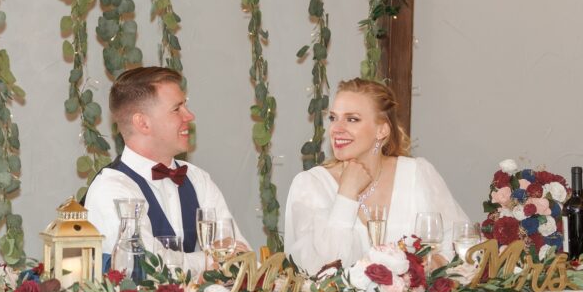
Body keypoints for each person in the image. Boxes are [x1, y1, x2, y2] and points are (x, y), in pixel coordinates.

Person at [284, 78, 469, 274]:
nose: (336, 129)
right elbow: (320, 271)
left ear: (382, 130)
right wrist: (346, 195)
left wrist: (438, 262)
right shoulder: (310, 186)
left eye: (352, 119)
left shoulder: (417, 174)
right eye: (333, 118)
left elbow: (464, 243)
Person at [85, 66, 249, 274]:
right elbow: (145, 265)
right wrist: (208, 261)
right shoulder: (111, 188)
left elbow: (240, 254)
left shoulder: (197, 179)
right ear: (143, 123)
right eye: (177, 109)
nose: (189, 116)